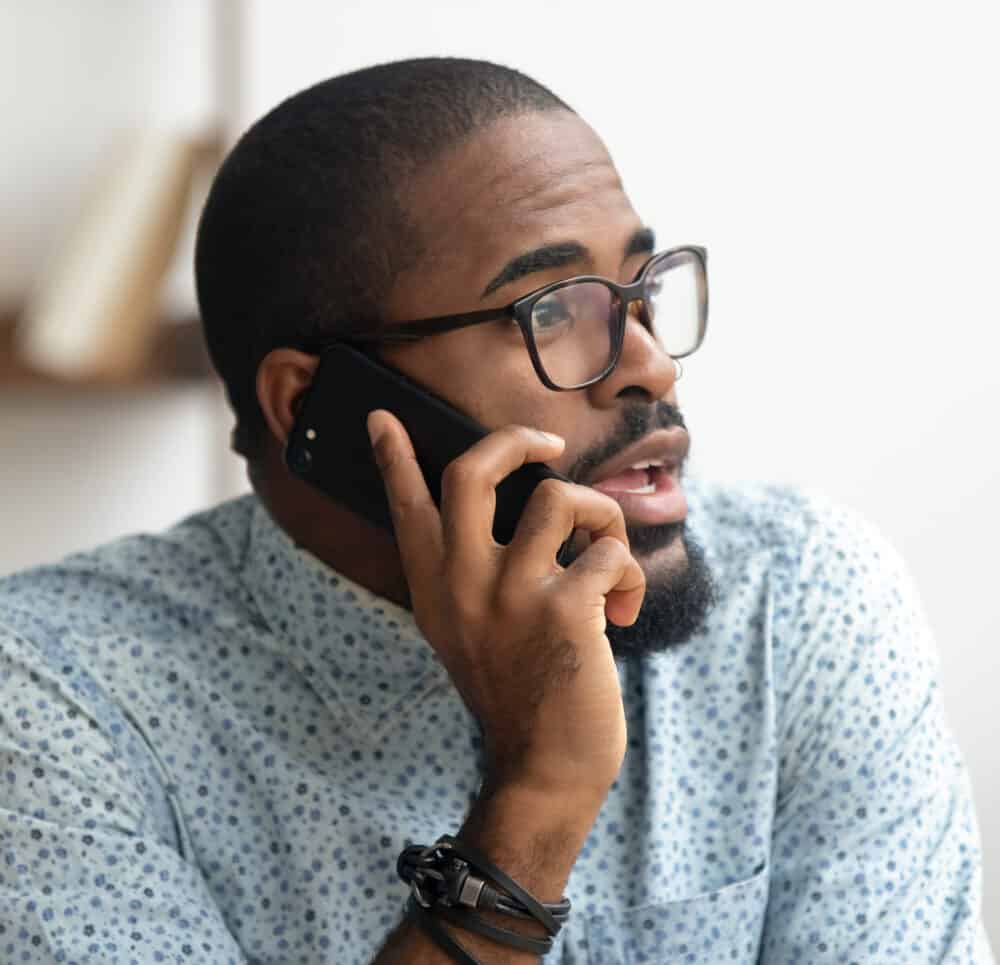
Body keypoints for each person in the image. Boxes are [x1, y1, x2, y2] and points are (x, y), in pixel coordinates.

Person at [0, 57, 992, 965]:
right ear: (317, 407)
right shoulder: (58, 698)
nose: (647, 360)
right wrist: (538, 797)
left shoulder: (800, 595)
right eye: (553, 309)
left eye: (639, 289)